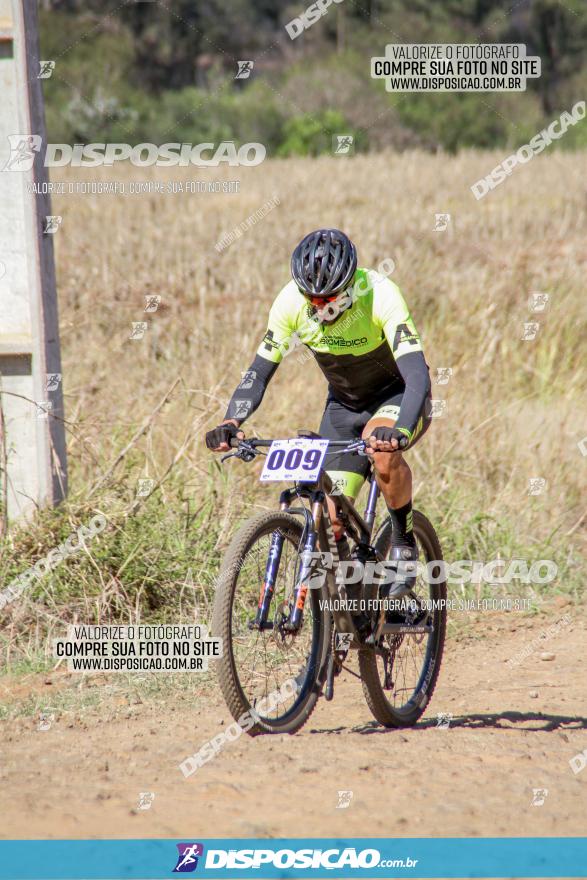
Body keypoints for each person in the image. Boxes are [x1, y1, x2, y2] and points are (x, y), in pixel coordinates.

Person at [205, 228, 432, 598]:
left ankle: (404, 542)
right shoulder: (289, 302)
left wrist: (400, 431)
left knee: (383, 454)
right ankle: (345, 614)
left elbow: (417, 373)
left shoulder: (379, 293)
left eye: (330, 298)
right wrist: (232, 421)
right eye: (313, 300)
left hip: (397, 395)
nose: (320, 307)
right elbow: (258, 372)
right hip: (343, 407)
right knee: (328, 520)